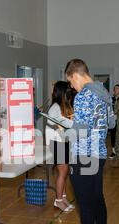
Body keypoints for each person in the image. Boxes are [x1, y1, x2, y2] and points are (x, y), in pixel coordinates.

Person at [64, 58, 115, 224]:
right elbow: (111, 122)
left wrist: (66, 129)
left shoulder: (83, 96)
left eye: (70, 81)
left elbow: (81, 132)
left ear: (76, 75)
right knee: (97, 199)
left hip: (83, 156)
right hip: (99, 153)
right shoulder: (104, 93)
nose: (71, 86)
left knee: (85, 205)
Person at [45, 81, 76, 212]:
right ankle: (58, 201)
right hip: (57, 143)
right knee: (62, 173)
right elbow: (52, 122)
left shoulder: (64, 105)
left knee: (64, 172)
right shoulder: (55, 107)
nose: (69, 92)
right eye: (67, 90)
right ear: (62, 92)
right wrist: (71, 123)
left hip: (63, 142)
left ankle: (63, 198)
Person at [108, 84, 119, 160]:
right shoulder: (111, 99)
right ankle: (113, 152)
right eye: (114, 89)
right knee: (113, 136)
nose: (115, 90)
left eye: (117, 88)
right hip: (113, 120)